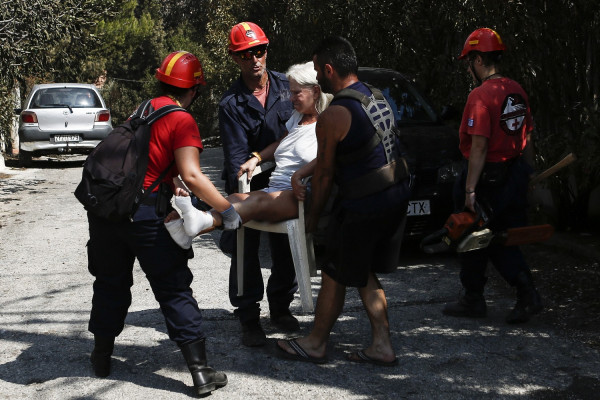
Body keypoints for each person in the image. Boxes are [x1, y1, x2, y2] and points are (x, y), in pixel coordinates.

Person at [86, 51, 241, 396]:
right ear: (194, 90)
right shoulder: (181, 119)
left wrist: (167, 180)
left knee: (110, 283)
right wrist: (228, 211)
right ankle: (200, 374)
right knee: (173, 289)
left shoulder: (143, 109)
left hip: (106, 213)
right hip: (143, 216)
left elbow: (145, 160)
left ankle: (101, 357)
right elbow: (192, 175)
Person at [276, 36, 412, 366]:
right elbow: (366, 148)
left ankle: (316, 342)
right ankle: (381, 345)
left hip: (365, 203)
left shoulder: (334, 114)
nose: (317, 79)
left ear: (328, 69)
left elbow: (323, 177)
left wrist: (312, 222)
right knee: (360, 268)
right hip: (396, 193)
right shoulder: (375, 96)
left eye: (318, 72)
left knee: (335, 269)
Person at [442, 28, 543, 324]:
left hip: (487, 179)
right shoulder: (516, 90)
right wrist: (529, 175)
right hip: (513, 174)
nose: (468, 68)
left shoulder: (481, 95)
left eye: (469, 61)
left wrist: (470, 191)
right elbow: (527, 137)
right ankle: (480, 296)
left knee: (475, 235)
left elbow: (479, 146)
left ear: (477, 59)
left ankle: (512, 295)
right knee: (502, 236)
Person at [166, 61, 331, 235]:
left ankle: (195, 222)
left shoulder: (328, 122)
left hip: (298, 195)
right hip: (276, 189)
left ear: (316, 91)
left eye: (297, 93)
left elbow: (329, 157)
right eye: (291, 92)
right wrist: (257, 158)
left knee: (258, 200)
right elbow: (280, 143)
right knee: (235, 198)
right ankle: (187, 231)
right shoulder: (297, 117)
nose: (291, 98)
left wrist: (300, 174)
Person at [216, 21, 299, 347]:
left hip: (285, 179)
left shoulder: (287, 87)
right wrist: (242, 203)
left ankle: (280, 308)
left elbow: (303, 129)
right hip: (248, 183)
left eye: (259, 51)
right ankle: (248, 316)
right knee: (244, 250)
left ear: (267, 50)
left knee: (285, 248)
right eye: (246, 54)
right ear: (235, 58)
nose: (254, 59)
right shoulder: (231, 104)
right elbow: (239, 163)